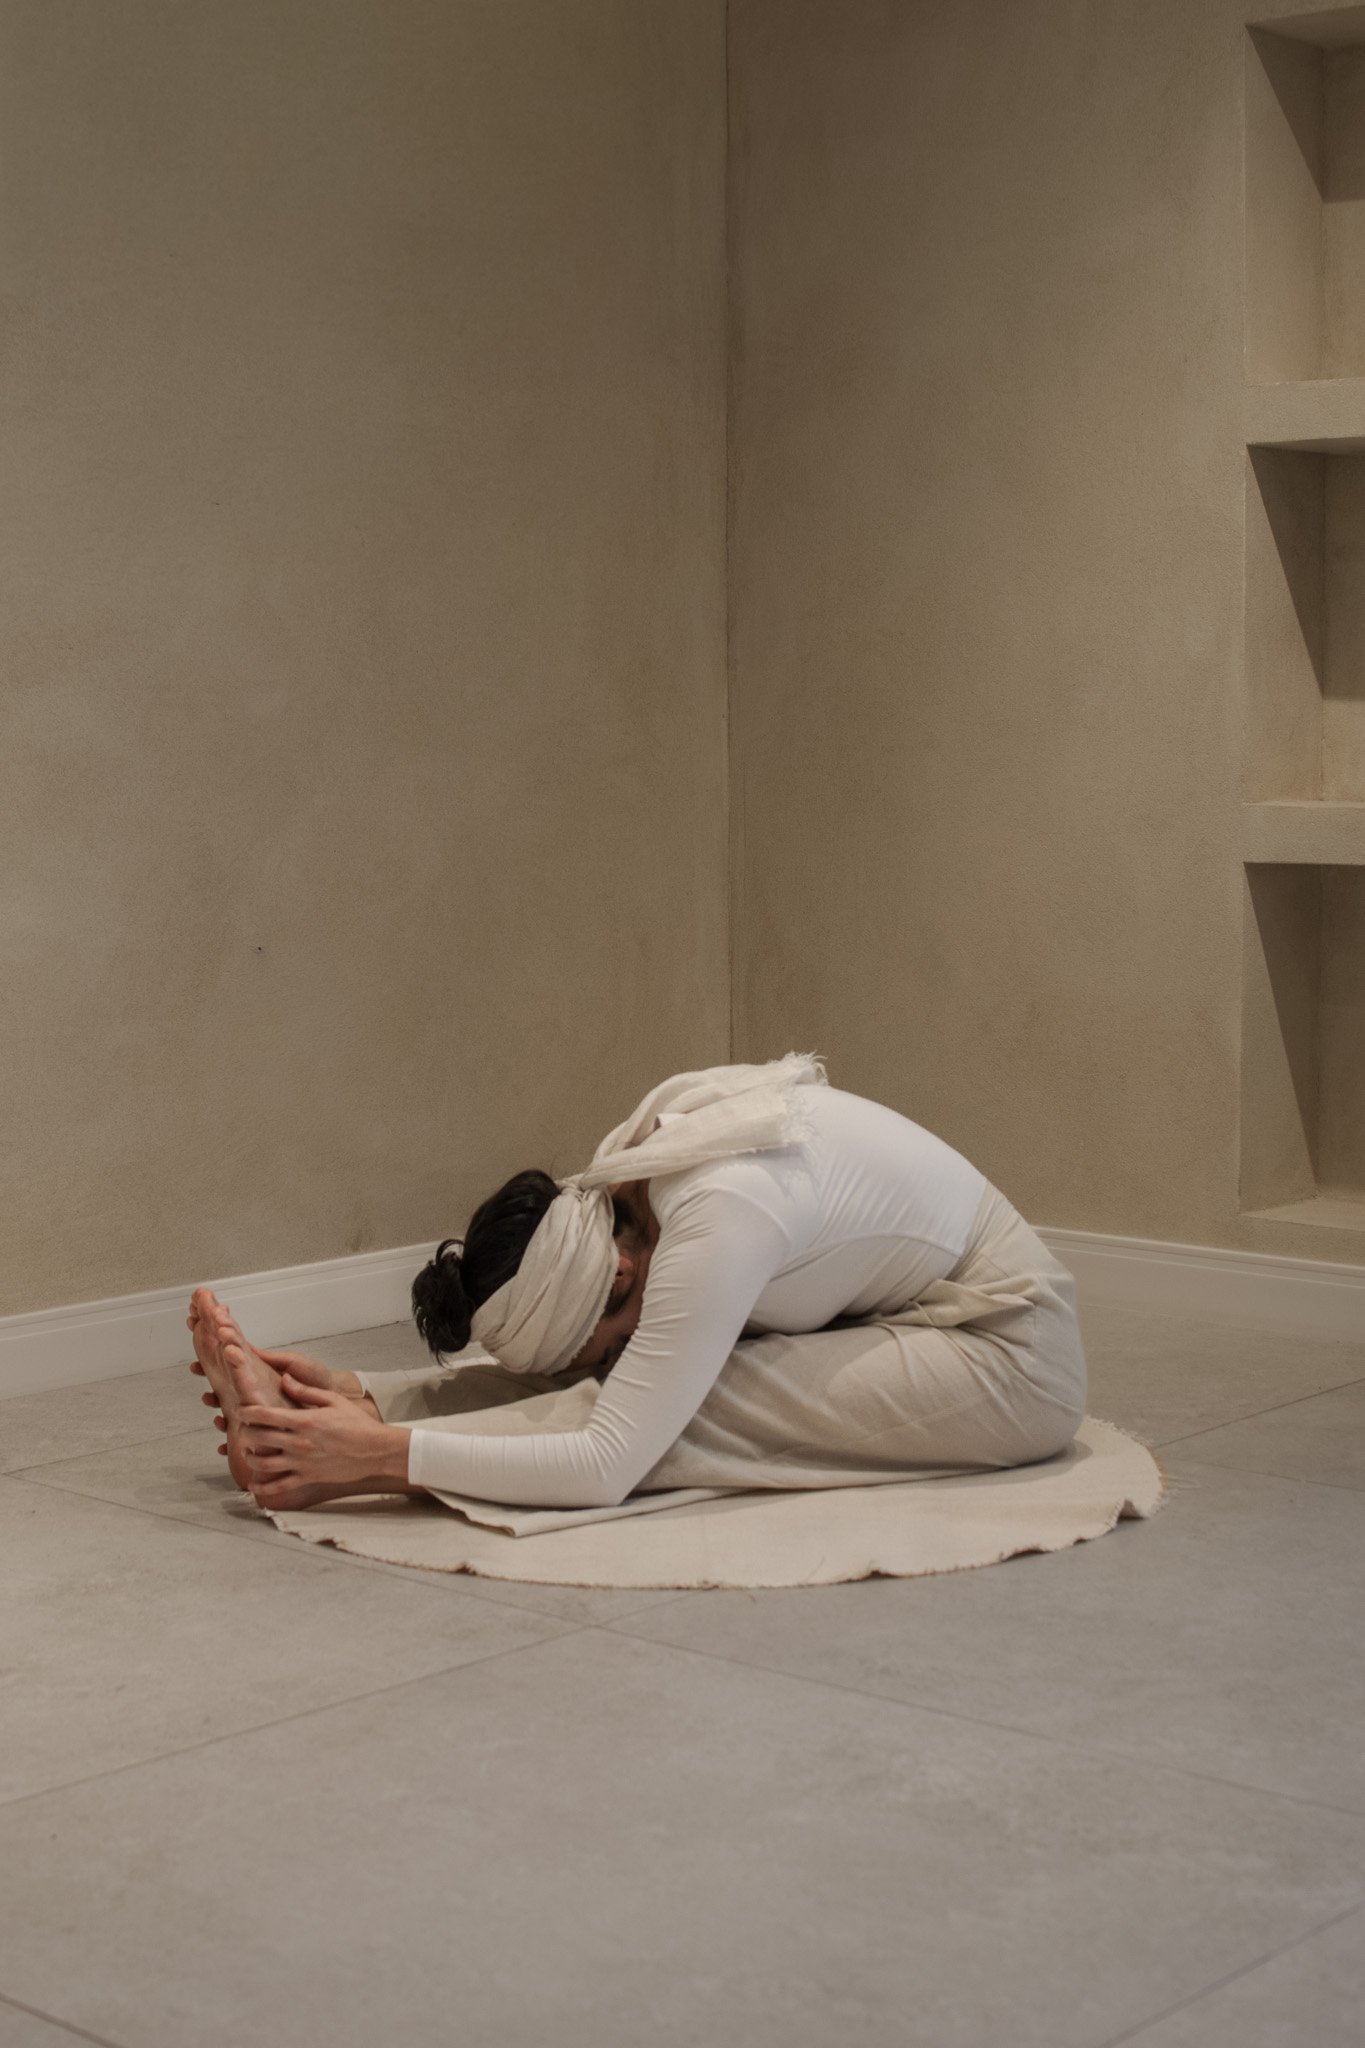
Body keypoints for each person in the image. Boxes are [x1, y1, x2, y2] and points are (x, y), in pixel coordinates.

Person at [189, 1054, 1087, 1514]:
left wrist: (385, 1464)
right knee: (635, 1378)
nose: (618, 1343)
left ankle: (352, 1447)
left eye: (613, 1324)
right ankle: (352, 1403)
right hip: (911, 1318)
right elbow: (606, 1360)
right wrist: (375, 1395)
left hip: (1010, 1355)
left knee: (674, 1411)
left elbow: (606, 1467)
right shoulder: (625, 1184)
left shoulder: (714, 1214)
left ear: (617, 1270)